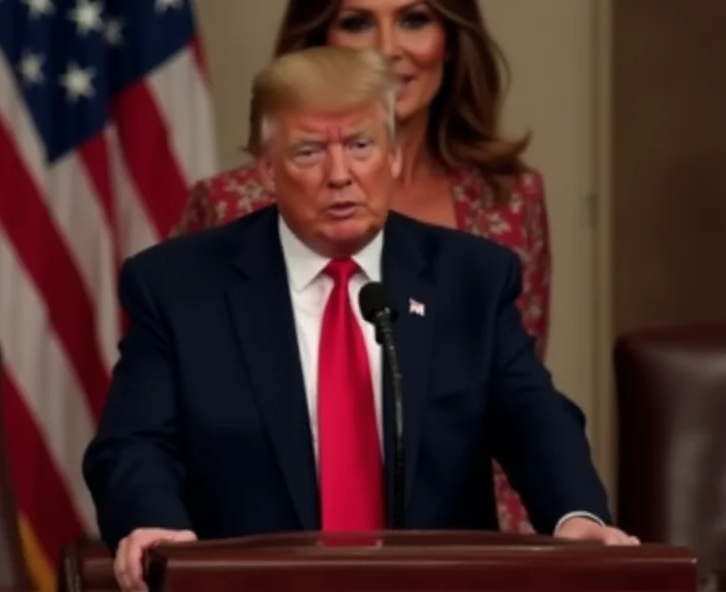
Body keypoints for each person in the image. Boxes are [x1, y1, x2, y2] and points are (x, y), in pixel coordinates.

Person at [84, 46, 637, 592]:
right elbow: (133, 443)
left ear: (393, 156)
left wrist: (576, 516)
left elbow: (532, 416)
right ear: (266, 171)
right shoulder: (180, 287)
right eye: (308, 152)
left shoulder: (470, 278)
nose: (340, 174)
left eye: (361, 145)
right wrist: (152, 521)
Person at [172, 0, 549, 533]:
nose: (387, 47)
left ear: (452, 39)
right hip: (270, 548)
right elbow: (183, 416)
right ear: (317, 42)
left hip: (467, 545)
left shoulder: (508, 200)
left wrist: (531, 548)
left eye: (415, 19)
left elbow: (520, 404)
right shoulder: (231, 205)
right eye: (357, 23)